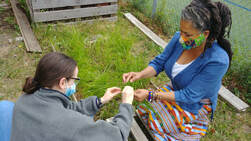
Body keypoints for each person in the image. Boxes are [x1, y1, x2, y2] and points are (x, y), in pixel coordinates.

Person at [123, 0, 232, 140]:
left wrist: (151, 95)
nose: (182, 38)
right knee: (145, 112)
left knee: (155, 122)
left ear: (205, 34)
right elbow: (159, 62)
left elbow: (189, 96)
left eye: (188, 34)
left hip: (195, 104)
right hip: (176, 89)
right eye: (181, 31)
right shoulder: (179, 39)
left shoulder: (217, 60)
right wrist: (139, 74)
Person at [11, 52, 135, 141]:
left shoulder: (25, 98)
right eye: (74, 80)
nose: (75, 84)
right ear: (62, 82)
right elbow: (117, 136)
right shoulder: (70, 125)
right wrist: (126, 104)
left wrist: (100, 100)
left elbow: (67, 109)